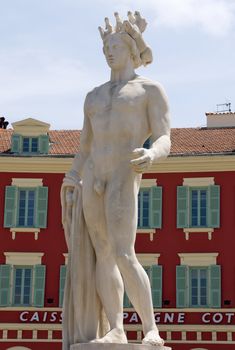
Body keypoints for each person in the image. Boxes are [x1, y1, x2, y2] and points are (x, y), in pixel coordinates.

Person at [61, 11, 171, 349]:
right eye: (105, 46)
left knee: (125, 253)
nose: (109, 52)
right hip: (94, 176)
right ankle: (116, 328)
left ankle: (150, 329)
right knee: (103, 253)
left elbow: (165, 137)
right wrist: (71, 178)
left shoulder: (149, 90)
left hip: (125, 172)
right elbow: (84, 147)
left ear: (131, 49)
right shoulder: (93, 96)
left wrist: (152, 155)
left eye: (115, 46)